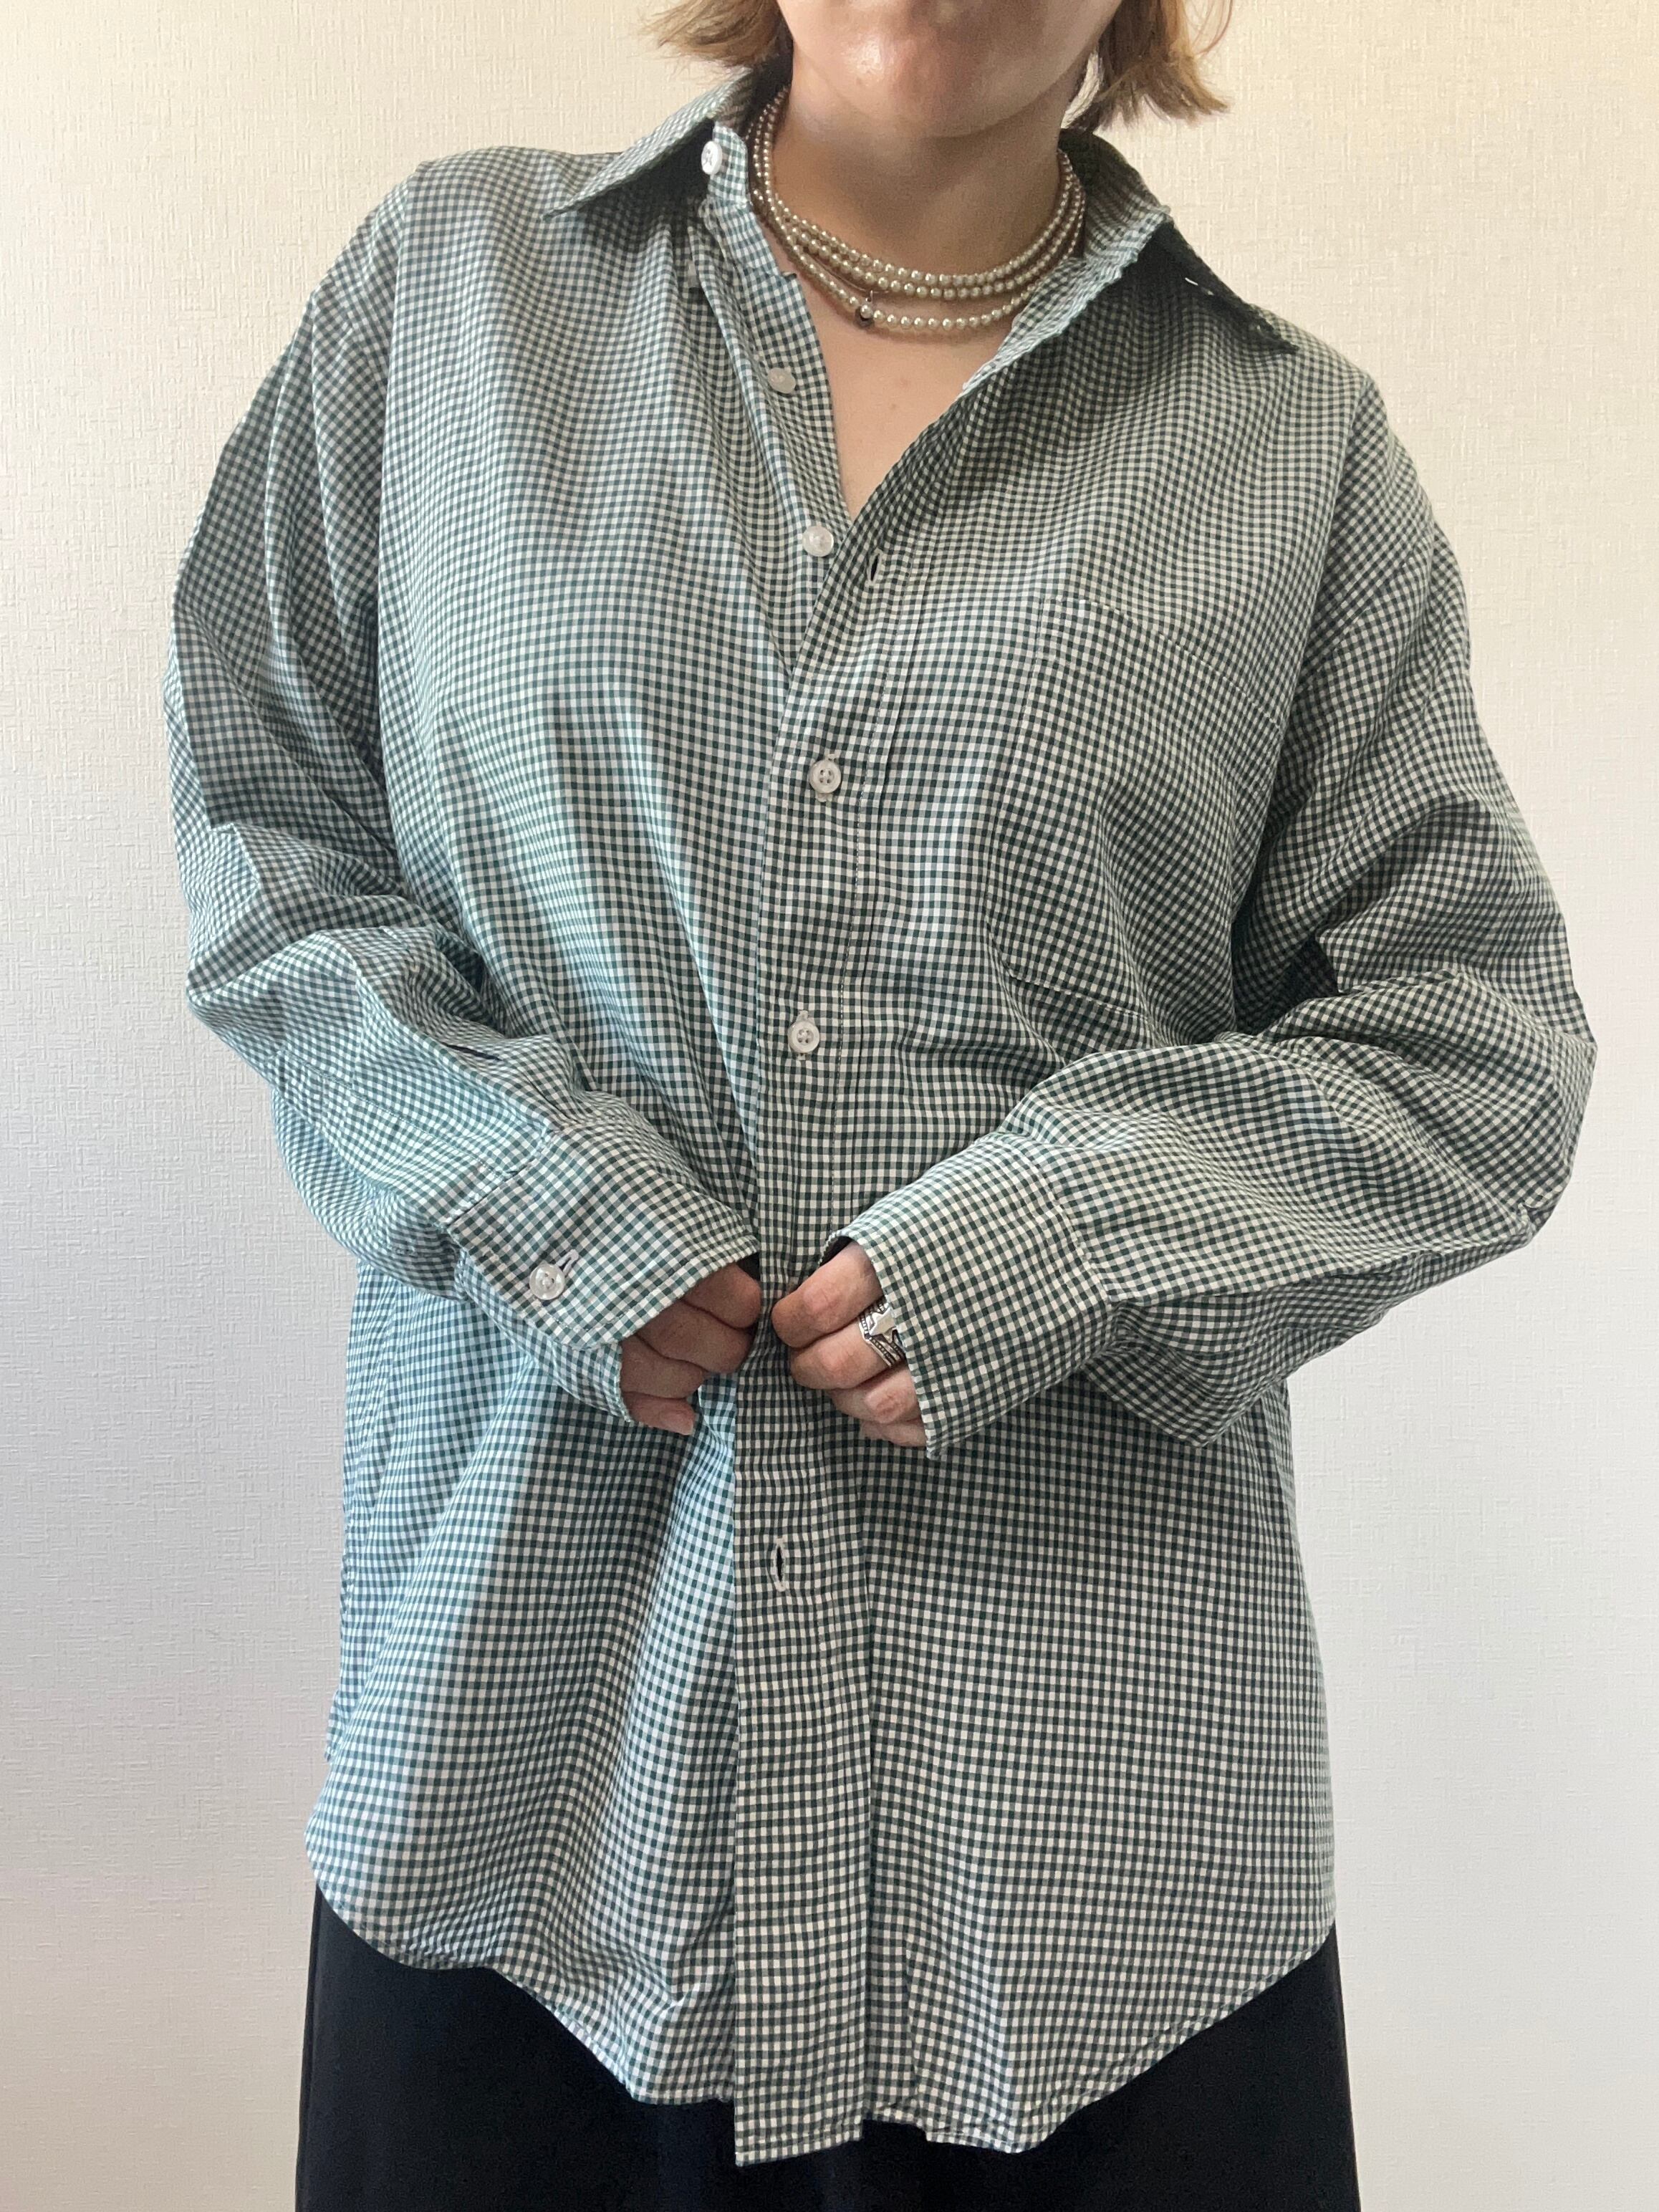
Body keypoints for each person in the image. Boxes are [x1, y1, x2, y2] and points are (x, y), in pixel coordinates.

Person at [163, 3, 1597, 2207]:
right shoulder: (450, 295)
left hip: (1094, 1875)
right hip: (530, 1795)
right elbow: (268, 833)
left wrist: (1066, 1233)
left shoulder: (1290, 452)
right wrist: (538, 1191)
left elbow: (1473, 1041)